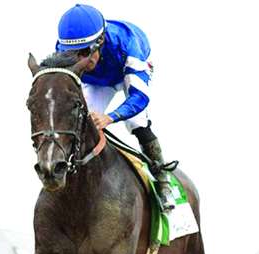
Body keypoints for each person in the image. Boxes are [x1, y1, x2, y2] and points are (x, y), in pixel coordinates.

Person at [55, 4, 176, 211]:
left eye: (84, 52)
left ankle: (162, 180)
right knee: (78, 120)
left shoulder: (130, 47)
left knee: (137, 123)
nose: (80, 61)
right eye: (73, 54)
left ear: (101, 40)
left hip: (126, 70)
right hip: (96, 82)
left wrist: (110, 117)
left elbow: (140, 97)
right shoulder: (62, 49)